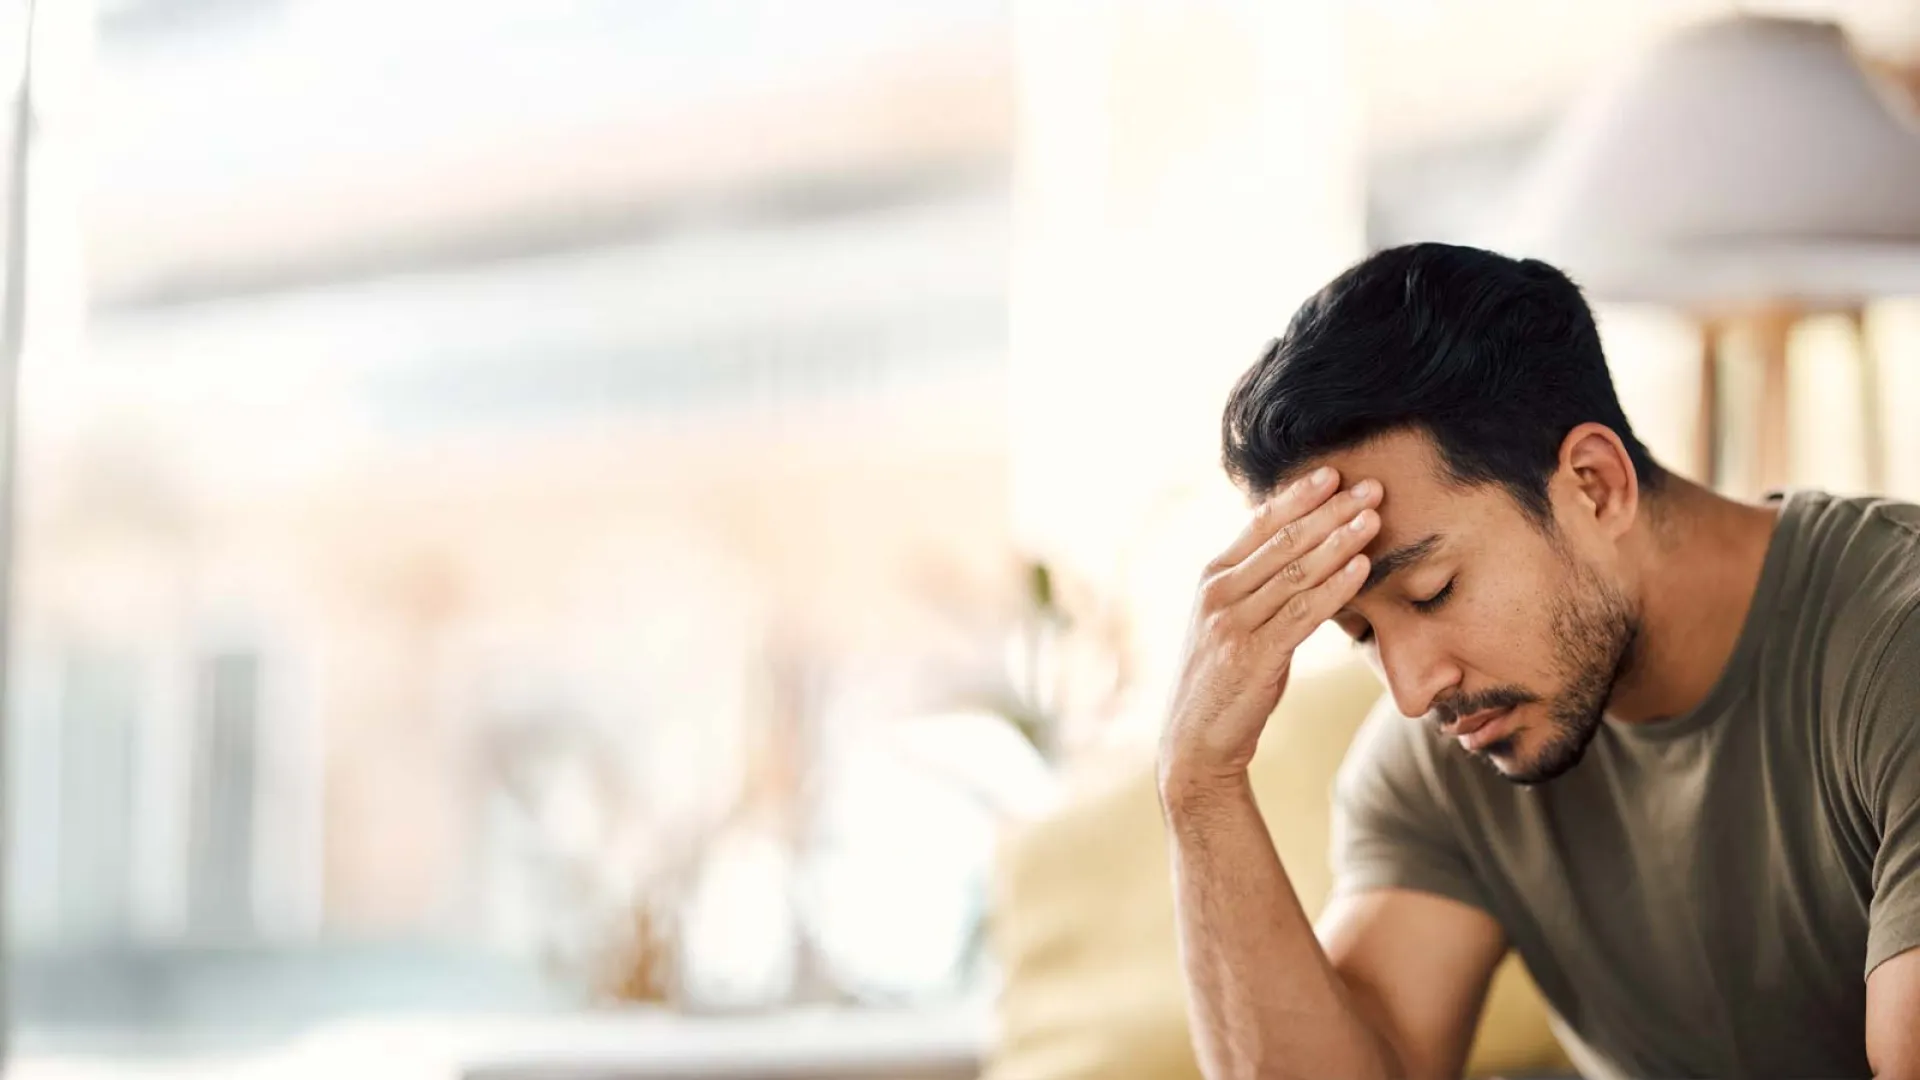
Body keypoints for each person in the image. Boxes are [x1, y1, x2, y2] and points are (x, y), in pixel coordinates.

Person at [1157, 243, 1920, 1080]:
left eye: (1431, 590)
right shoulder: (1446, 758)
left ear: (1594, 485)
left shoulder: (1895, 649)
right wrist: (1199, 784)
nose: (1414, 693)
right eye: (1360, 634)